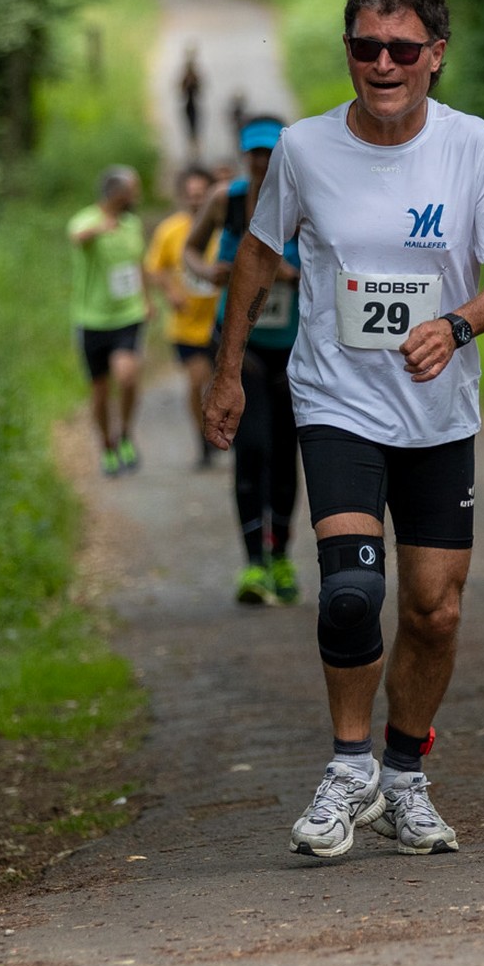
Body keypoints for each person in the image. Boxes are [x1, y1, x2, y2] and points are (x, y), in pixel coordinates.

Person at [204, 0, 484, 858]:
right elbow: (258, 252)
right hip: (336, 400)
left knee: (435, 611)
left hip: (438, 411)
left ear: (436, 55)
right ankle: (349, 768)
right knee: (353, 592)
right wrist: (228, 371)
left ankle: (404, 778)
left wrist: (457, 326)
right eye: (365, 47)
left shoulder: (474, 148)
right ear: (348, 52)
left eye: (402, 49)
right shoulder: (305, 149)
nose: (383, 64)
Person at [186, 118, 304, 605]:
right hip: (240, 348)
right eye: (254, 153)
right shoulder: (225, 200)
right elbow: (191, 251)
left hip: (292, 348)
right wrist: (209, 271)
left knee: (285, 454)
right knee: (251, 449)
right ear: (244, 155)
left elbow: (331, 265)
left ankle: (281, 557)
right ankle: (254, 563)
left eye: (269, 153)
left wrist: (289, 274)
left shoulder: (306, 199)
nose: (261, 162)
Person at [69, 166, 153, 477]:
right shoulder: (86, 219)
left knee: (127, 376)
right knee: (100, 391)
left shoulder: (132, 224)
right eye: (134, 191)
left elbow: (138, 263)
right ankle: (106, 445)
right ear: (118, 193)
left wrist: (146, 299)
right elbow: (76, 237)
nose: (137, 197)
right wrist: (98, 230)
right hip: (91, 319)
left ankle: (126, 433)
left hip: (128, 315)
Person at [146, 164, 220, 469]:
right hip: (186, 324)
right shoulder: (170, 230)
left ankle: (222, 431)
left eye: (201, 194)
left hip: (221, 321)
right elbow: (154, 268)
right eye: (190, 194)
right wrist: (170, 293)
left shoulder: (224, 229)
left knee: (218, 383)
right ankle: (203, 439)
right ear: (182, 196)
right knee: (196, 381)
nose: (195, 199)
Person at [179, 46, 204, 161]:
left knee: (195, 126)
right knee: (190, 126)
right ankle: (192, 147)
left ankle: (195, 147)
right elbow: (181, 90)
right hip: (189, 106)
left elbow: (199, 90)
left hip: (193, 106)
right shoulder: (186, 79)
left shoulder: (195, 78)